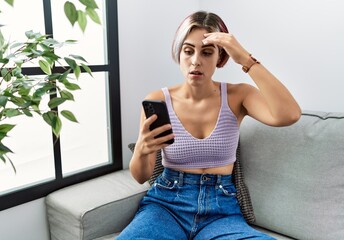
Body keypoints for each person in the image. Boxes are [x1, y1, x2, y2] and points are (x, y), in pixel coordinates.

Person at [117, 11, 301, 239]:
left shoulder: (238, 95)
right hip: (166, 206)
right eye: (188, 51)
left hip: (221, 212)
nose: (196, 61)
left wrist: (245, 59)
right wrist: (143, 149)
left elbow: (289, 114)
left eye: (206, 52)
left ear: (220, 58)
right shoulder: (158, 99)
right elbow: (140, 176)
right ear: (179, 53)